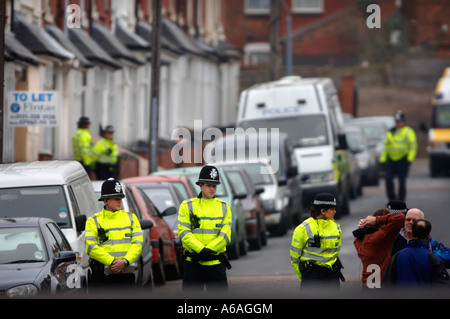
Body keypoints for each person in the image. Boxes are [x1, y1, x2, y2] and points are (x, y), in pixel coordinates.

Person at [177, 165, 232, 292]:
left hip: (216, 264)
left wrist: (208, 250)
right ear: (200, 185)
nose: (212, 189)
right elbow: (184, 232)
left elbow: (225, 234)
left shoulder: (224, 207)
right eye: (208, 185)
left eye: (214, 186)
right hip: (193, 264)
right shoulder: (187, 206)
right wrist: (201, 249)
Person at [85, 178, 143, 290]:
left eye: (120, 198)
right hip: (102, 277)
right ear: (105, 201)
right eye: (116, 198)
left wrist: (125, 261)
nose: (119, 201)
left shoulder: (131, 218)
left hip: (126, 274)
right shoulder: (93, 221)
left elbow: (137, 243)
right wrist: (112, 262)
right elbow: (91, 247)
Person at [290, 193, 344, 290]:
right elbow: (294, 258)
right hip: (311, 276)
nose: (335, 212)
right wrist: (304, 277)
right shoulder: (303, 229)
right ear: (323, 211)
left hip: (331, 276)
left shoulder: (336, 227)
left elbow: (336, 253)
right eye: (332, 209)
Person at [352, 200, 406, 288]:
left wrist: (369, 220)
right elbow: (400, 217)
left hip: (367, 284)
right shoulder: (379, 238)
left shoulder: (359, 239)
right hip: (379, 285)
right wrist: (378, 220)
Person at [384, 219, 449, 288]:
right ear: (428, 235)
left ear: (412, 233)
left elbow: (387, 284)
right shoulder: (433, 259)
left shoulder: (397, 256)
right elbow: (442, 287)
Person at [379, 110, 417, 201]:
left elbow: (413, 147)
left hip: (403, 160)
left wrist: (409, 159)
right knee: (388, 180)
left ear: (404, 122)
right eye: (397, 121)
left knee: (402, 182)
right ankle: (392, 200)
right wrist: (383, 160)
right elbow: (386, 148)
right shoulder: (390, 132)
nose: (398, 123)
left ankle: (401, 201)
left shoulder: (408, 132)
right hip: (391, 160)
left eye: (400, 121)